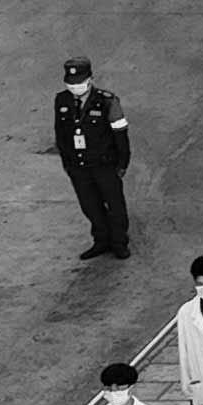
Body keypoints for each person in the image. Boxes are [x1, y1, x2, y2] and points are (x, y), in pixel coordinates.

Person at [49, 54, 136, 256]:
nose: (75, 87)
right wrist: (67, 163)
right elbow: (60, 133)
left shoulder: (107, 101)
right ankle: (101, 240)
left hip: (105, 165)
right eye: (71, 83)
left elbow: (120, 134)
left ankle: (119, 242)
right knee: (90, 206)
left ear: (90, 79)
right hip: (79, 167)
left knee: (115, 206)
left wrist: (122, 164)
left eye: (79, 83)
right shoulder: (62, 100)